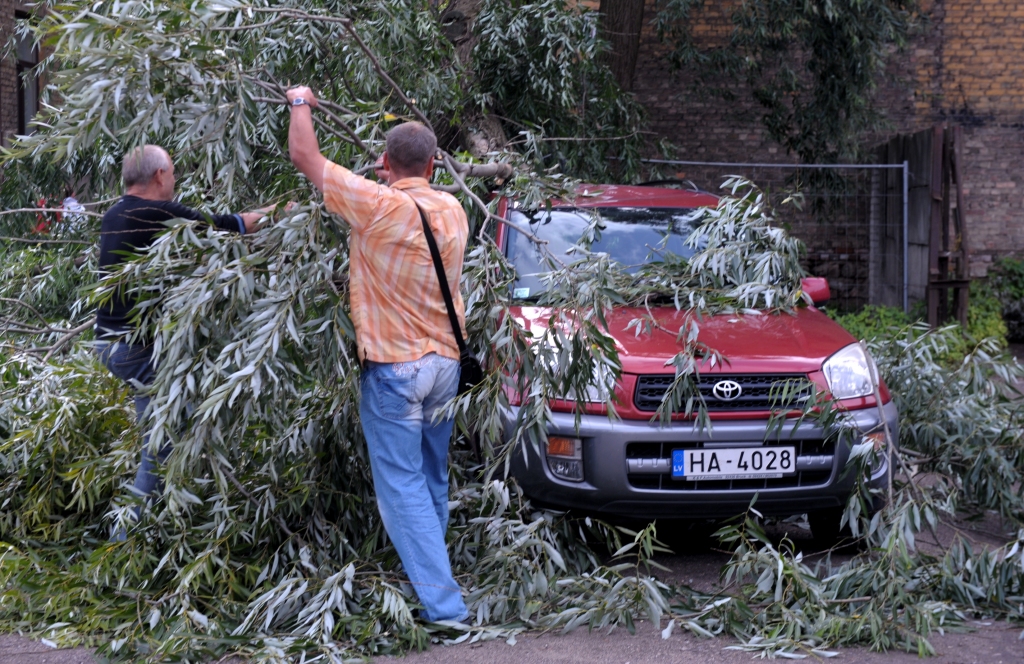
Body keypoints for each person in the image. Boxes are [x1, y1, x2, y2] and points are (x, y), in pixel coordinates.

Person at [284, 85, 470, 623]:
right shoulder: (454, 208)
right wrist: (391, 173)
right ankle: (440, 580)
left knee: (402, 484)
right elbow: (401, 191)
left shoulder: (379, 206)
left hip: (395, 368)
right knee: (433, 475)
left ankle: (445, 607)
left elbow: (305, 157)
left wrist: (301, 102)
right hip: (445, 365)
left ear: (385, 163)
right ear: (434, 164)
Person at [96, 145, 275, 535]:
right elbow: (225, 226)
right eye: (173, 173)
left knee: (163, 431)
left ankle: (161, 520)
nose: (174, 180)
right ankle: (124, 539)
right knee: (163, 442)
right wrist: (278, 215)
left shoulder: (116, 213)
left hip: (111, 343)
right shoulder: (158, 213)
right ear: (160, 175)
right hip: (136, 347)